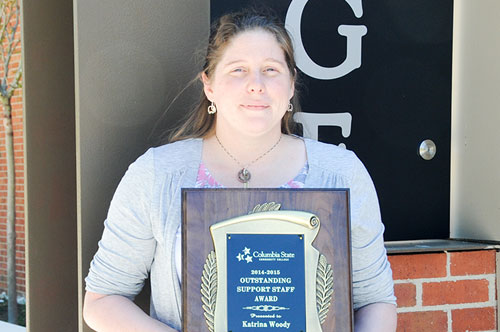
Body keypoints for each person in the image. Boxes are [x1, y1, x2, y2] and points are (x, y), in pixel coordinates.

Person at [83, 9, 397, 332]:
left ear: (291, 85)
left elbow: (377, 301)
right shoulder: (156, 174)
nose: (256, 85)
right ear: (209, 86)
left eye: (271, 70)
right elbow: (102, 300)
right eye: (238, 70)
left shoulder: (342, 174)